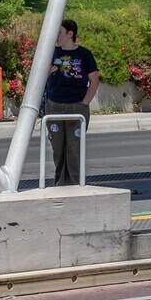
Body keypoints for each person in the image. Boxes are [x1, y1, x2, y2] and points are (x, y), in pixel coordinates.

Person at [42, 17, 100, 184]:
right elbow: (38, 78)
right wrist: (47, 73)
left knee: (74, 149)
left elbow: (94, 81)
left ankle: (75, 183)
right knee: (57, 149)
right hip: (54, 105)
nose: (56, 36)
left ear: (70, 34)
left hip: (77, 106)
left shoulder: (84, 54)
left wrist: (84, 104)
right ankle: (60, 183)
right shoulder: (51, 52)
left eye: (59, 33)